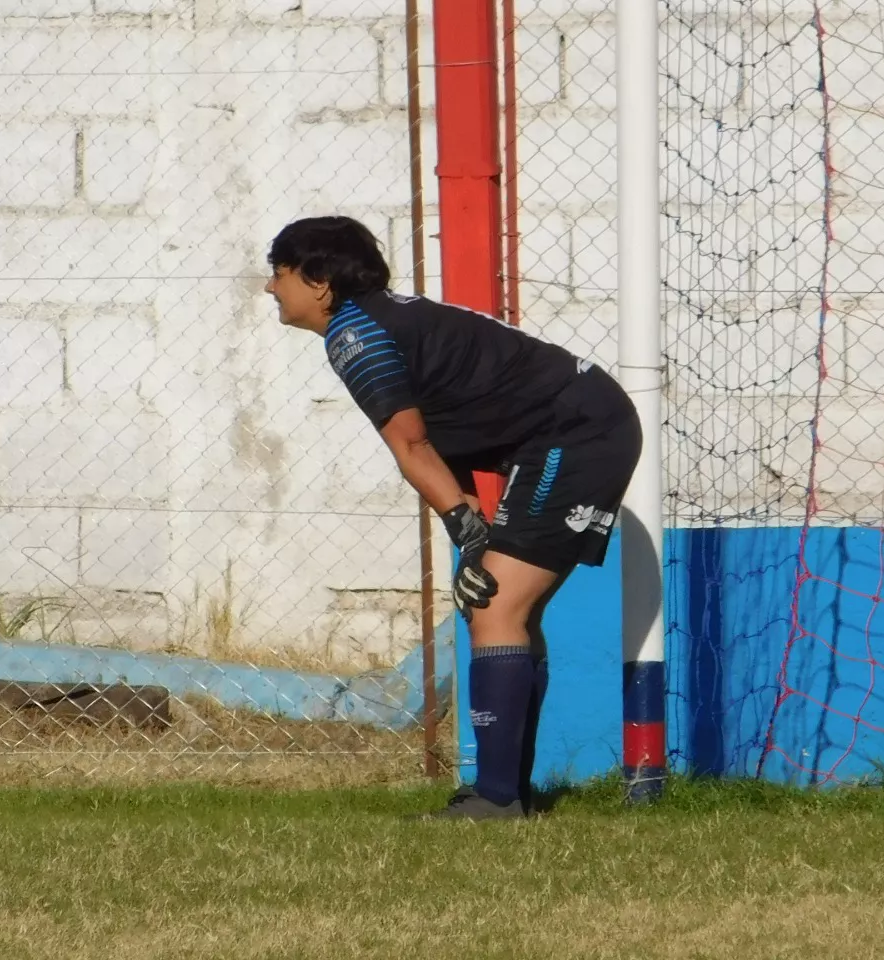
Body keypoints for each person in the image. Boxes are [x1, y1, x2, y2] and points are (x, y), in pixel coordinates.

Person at [266, 215, 642, 820]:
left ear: (318, 280)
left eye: (278, 272)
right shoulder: (382, 320)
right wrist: (470, 531)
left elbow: (412, 446)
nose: (270, 287)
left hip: (575, 432)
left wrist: (468, 534)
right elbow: (446, 443)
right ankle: (505, 794)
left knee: (495, 605)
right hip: (572, 426)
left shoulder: (355, 335)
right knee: (500, 606)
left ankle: (496, 798)